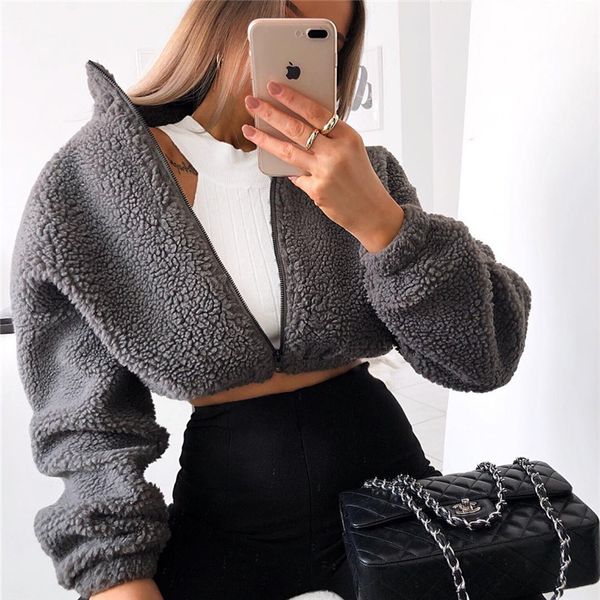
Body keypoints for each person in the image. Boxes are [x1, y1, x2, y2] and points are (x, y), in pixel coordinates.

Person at [10, 1, 534, 599]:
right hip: (228, 517)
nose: (300, 50)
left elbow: (483, 358)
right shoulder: (93, 185)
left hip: (387, 499)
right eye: (287, 14)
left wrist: (382, 223)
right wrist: (116, 575)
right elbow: (84, 424)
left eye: (327, 39)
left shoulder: (359, 172)